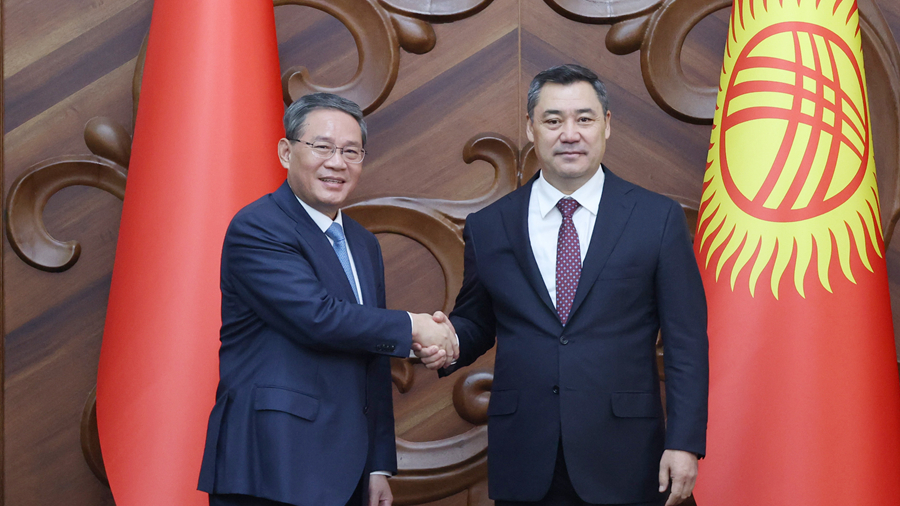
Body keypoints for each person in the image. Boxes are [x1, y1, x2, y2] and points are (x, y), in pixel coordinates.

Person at [418, 64, 709, 506]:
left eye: (584, 119)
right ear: (531, 129)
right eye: (553, 120)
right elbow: (478, 320)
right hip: (527, 456)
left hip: (627, 455)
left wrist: (685, 442)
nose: (569, 133)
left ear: (607, 126)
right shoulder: (490, 225)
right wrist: (450, 341)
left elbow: (686, 341)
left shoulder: (657, 218)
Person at [198, 92, 457, 506]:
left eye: (351, 151)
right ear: (286, 152)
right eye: (322, 147)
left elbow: (371, 354)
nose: (337, 163)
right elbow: (317, 316)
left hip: (346, 470)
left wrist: (377, 465)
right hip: (271, 464)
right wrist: (414, 326)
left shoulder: (362, 242)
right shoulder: (258, 227)